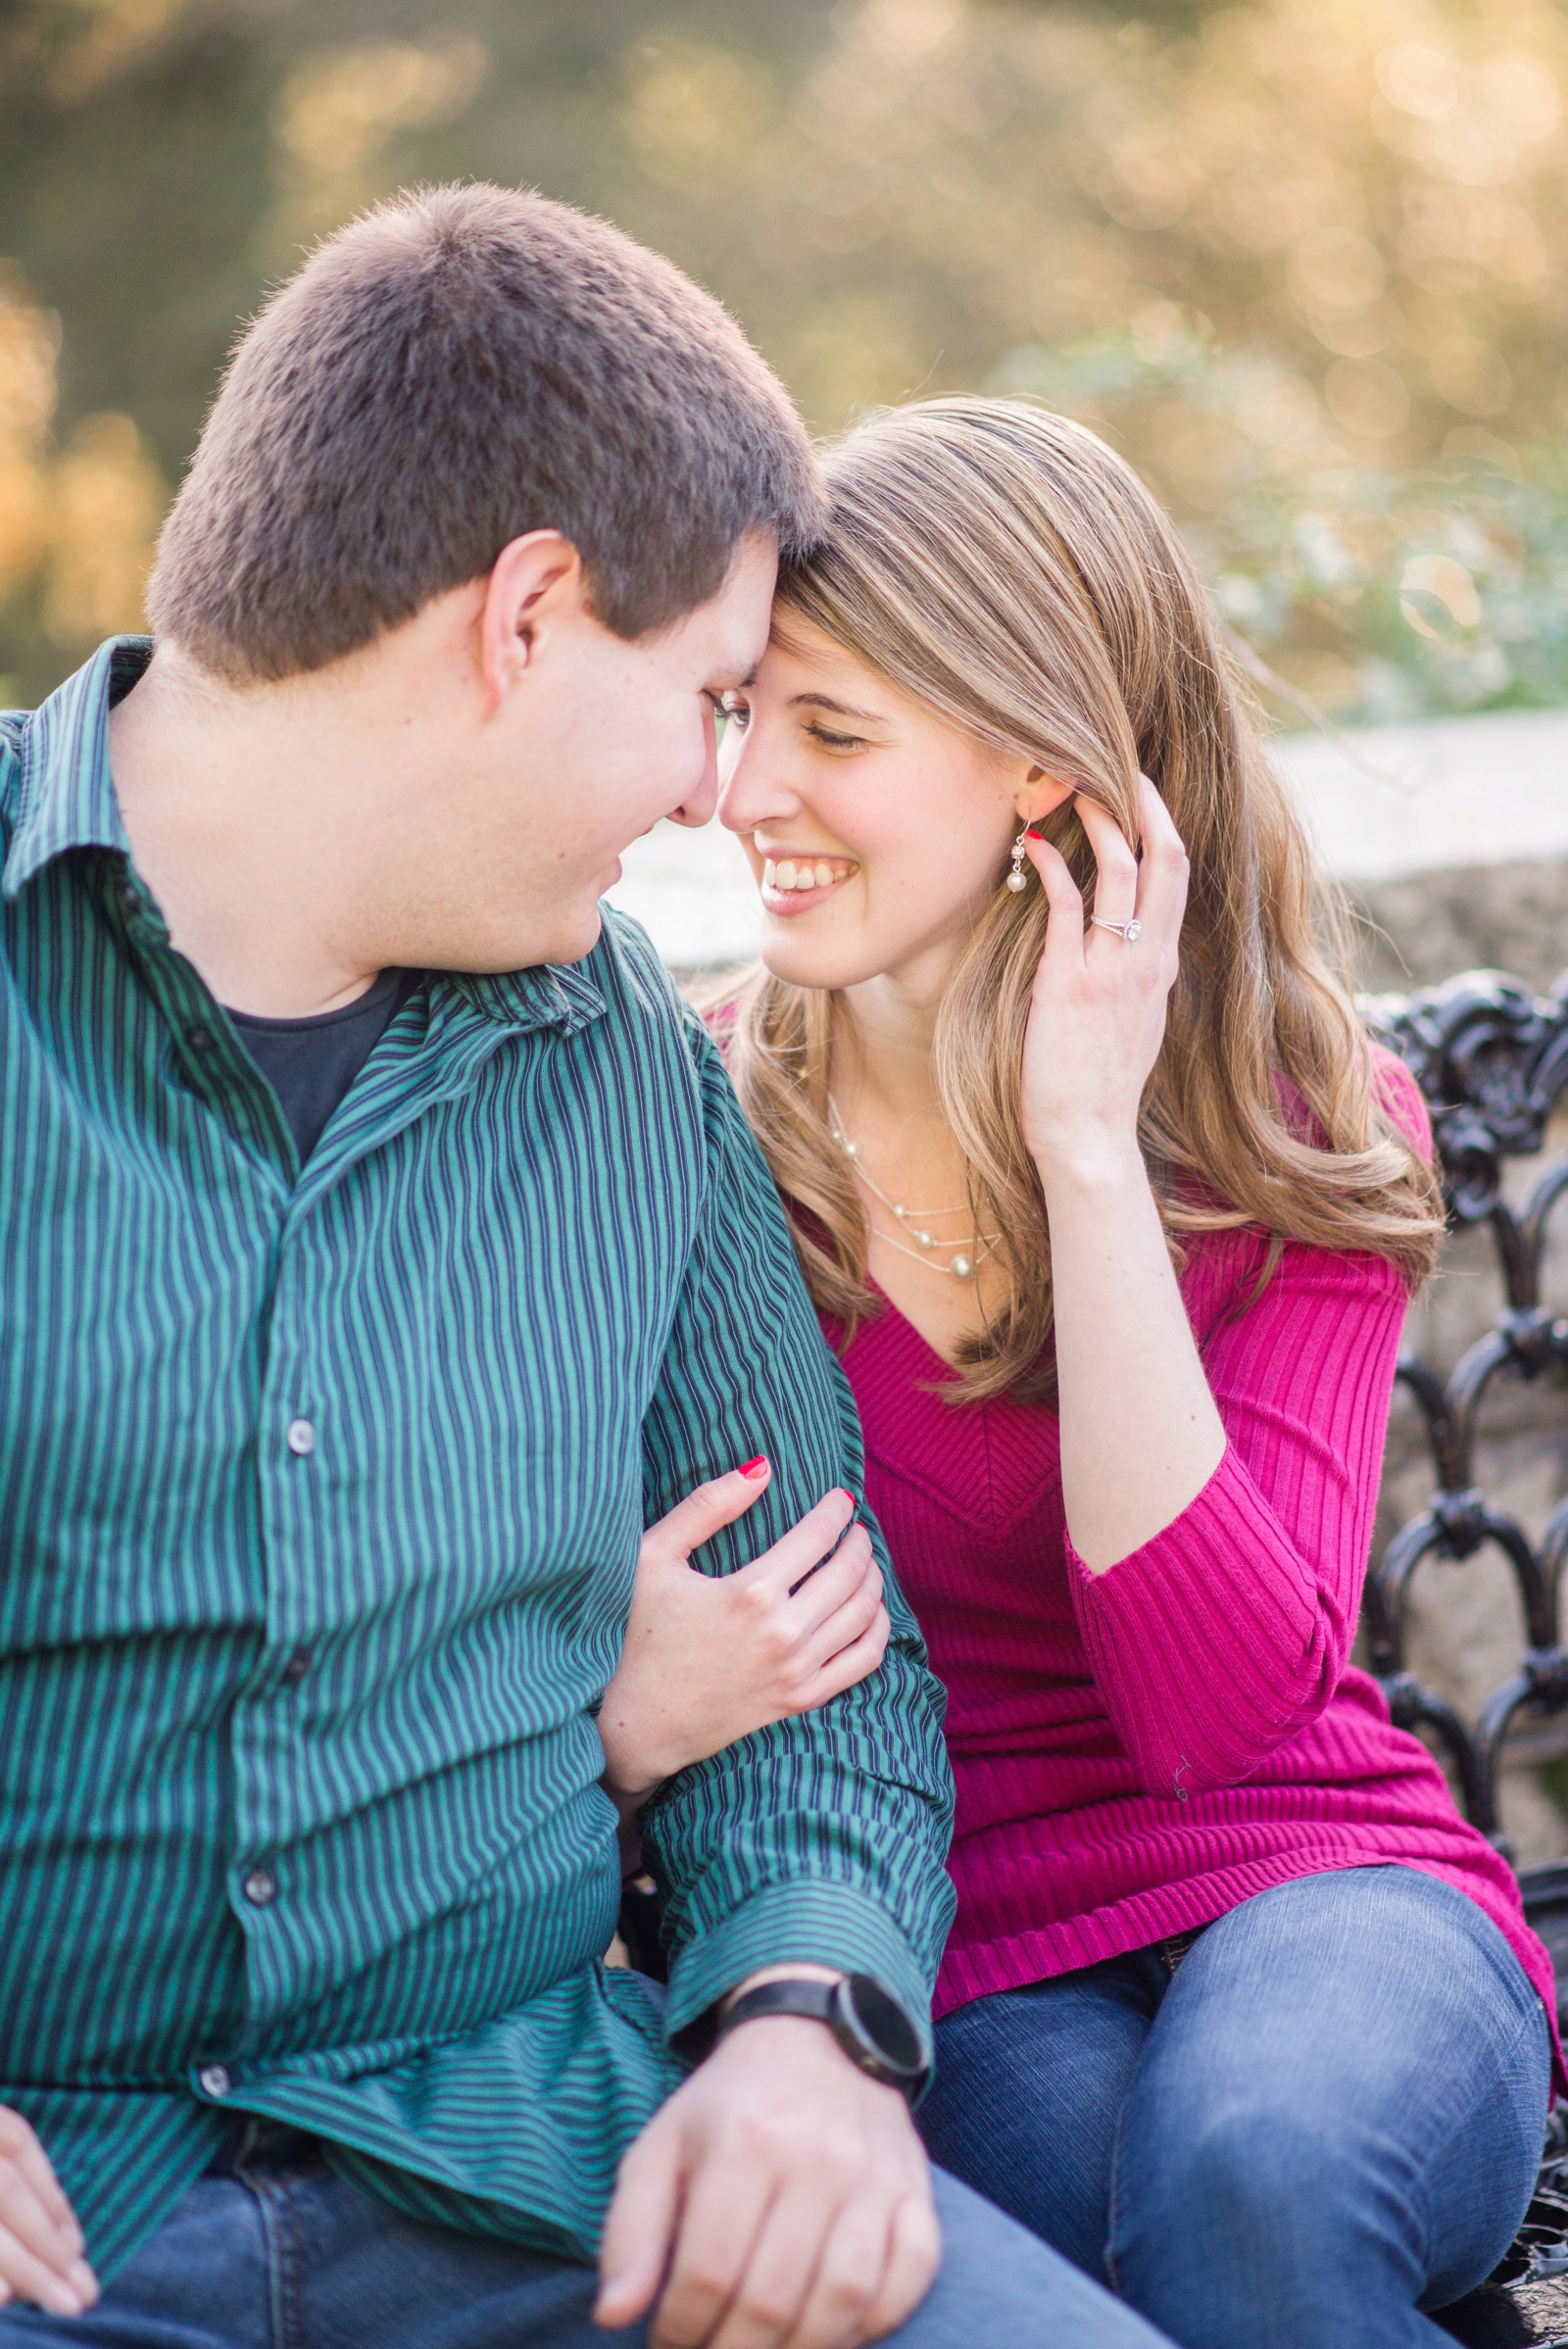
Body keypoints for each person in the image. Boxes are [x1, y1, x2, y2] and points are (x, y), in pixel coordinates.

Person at [0, 197, 1176, 2349]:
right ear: (524, 617)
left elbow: (827, 1685)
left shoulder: (625, 1060)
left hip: (547, 2169)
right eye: (713, 695)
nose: (721, 791)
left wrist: (807, 2028)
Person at [598, 396, 1560, 2349]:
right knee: (1162, 2240)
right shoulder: (694, 1129)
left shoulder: (1288, 1119)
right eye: (741, 713)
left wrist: (1089, 1148)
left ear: (1040, 762)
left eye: (832, 731)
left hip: (1327, 1888)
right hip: (948, 1953)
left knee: (1257, 2167)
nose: (743, 789)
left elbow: (1211, 1706)